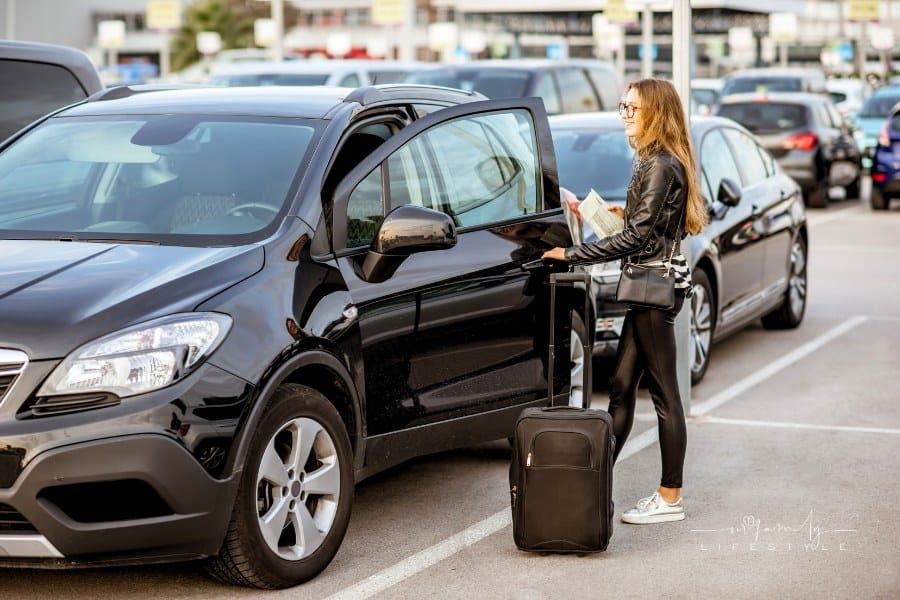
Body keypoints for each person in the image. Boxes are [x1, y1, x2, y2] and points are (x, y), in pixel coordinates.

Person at [542, 78, 708, 524]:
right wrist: (610, 213)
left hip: (652, 292)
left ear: (654, 113)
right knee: (619, 386)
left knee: (665, 397)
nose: (625, 116)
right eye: (623, 107)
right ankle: (594, 483)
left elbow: (637, 237)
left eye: (632, 109)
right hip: (645, 287)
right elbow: (651, 226)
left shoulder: (661, 165)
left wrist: (570, 254)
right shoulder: (654, 161)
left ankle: (669, 496)